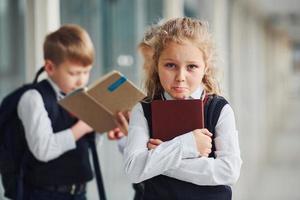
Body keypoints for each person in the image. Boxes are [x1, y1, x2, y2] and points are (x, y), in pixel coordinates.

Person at [123, 17, 242, 200]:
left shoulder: (219, 109)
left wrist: (161, 156)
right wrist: (188, 144)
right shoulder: (143, 110)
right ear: (157, 64)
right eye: (170, 65)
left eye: (191, 67)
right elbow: (133, 170)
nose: (180, 76)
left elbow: (229, 171)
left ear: (205, 67)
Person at [17, 24, 123, 200]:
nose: (81, 79)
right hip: (44, 194)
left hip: (79, 192)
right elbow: (43, 150)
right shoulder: (34, 98)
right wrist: (83, 126)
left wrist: (101, 126)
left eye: (86, 72)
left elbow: (90, 146)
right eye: (74, 73)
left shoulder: (82, 96)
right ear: (50, 68)